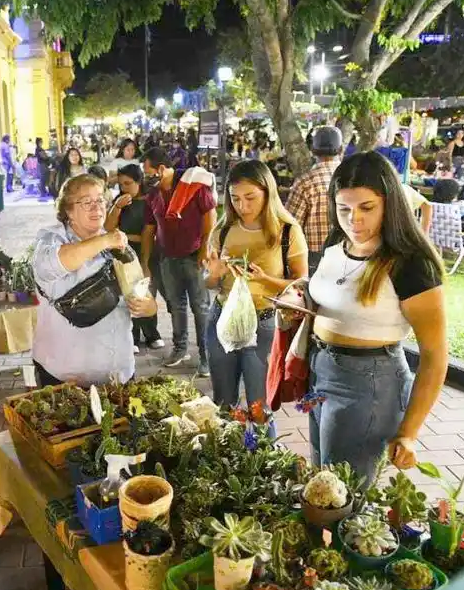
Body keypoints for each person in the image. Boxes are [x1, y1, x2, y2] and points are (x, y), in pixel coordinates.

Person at [287, 151, 448, 483]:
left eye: (366, 208)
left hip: (370, 382)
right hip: (321, 372)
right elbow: (332, 292)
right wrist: (298, 295)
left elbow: (435, 354)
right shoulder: (338, 243)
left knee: (345, 495)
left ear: (390, 203)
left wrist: (410, 432)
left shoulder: (410, 264)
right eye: (343, 209)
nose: (354, 220)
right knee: (322, 482)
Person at [31, 175, 158, 386]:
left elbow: (147, 298)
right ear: (68, 211)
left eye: (100, 200)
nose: (96, 207)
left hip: (119, 376)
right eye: (86, 202)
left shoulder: (117, 245)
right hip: (66, 378)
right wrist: (105, 239)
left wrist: (148, 307)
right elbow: (55, 263)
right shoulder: (52, 239)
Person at [205, 160, 308, 418]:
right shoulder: (223, 229)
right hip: (222, 318)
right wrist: (214, 274)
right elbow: (209, 283)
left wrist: (265, 280)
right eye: (235, 199)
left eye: (250, 197)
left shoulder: (287, 231)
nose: (243, 206)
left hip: (264, 323)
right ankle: (226, 456)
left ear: (267, 192)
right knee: (223, 406)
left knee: (260, 409)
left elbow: (301, 284)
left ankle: (260, 455)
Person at [140, 147, 217, 376]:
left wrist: (204, 248)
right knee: (176, 306)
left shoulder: (193, 187)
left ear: (161, 169)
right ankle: (180, 348)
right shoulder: (153, 195)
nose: (145, 176)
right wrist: (145, 262)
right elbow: (148, 229)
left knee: (200, 308)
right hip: (167, 258)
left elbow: (210, 218)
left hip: (194, 257)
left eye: (148, 171)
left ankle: (206, 356)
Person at [105, 164, 165, 353]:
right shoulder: (120, 201)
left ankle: (152, 334)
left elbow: (150, 233)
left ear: (139, 181)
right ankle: (132, 337)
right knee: (125, 292)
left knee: (146, 292)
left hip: (146, 252)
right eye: (121, 184)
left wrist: (125, 235)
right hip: (123, 254)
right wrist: (117, 207)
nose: (124, 188)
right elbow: (108, 228)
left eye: (128, 183)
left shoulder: (150, 201)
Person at [287, 126, 343, 272]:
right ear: (341, 149)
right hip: (348, 253)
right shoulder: (353, 178)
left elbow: (290, 225)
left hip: (315, 257)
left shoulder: (305, 183)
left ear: (312, 149)